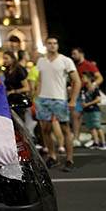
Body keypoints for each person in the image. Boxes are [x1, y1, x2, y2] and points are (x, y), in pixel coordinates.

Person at [35, 36, 81, 171]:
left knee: (65, 129)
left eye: (55, 43)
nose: (52, 45)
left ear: (58, 45)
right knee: (46, 130)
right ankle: (52, 156)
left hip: (59, 99)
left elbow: (77, 81)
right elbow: (40, 81)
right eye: (49, 43)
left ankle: (69, 159)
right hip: (43, 100)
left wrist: (72, 100)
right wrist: (37, 98)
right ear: (46, 45)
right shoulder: (41, 61)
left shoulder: (66, 61)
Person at [69, 47, 103, 147]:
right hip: (78, 94)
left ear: (81, 54)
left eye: (75, 54)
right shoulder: (74, 66)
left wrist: (94, 84)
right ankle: (76, 138)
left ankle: (95, 139)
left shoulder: (89, 65)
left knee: (91, 117)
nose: (73, 56)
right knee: (76, 115)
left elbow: (100, 77)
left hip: (89, 96)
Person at [79, 72, 106, 150]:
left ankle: (103, 143)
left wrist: (88, 104)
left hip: (94, 110)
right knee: (91, 127)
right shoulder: (83, 89)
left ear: (89, 78)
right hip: (86, 110)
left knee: (97, 126)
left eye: (83, 77)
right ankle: (96, 142)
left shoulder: (94, 88)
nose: (82, 79)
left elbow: (98, 99)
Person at [2, 51, 31, 120]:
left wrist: (14, 91)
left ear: (12, 59)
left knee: (19, 120)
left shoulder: (19, 69)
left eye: (6, 58)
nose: (4, 61)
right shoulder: (7, 70)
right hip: (11, 100)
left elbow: (27, 88)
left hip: (19, 100)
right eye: (3, 58)